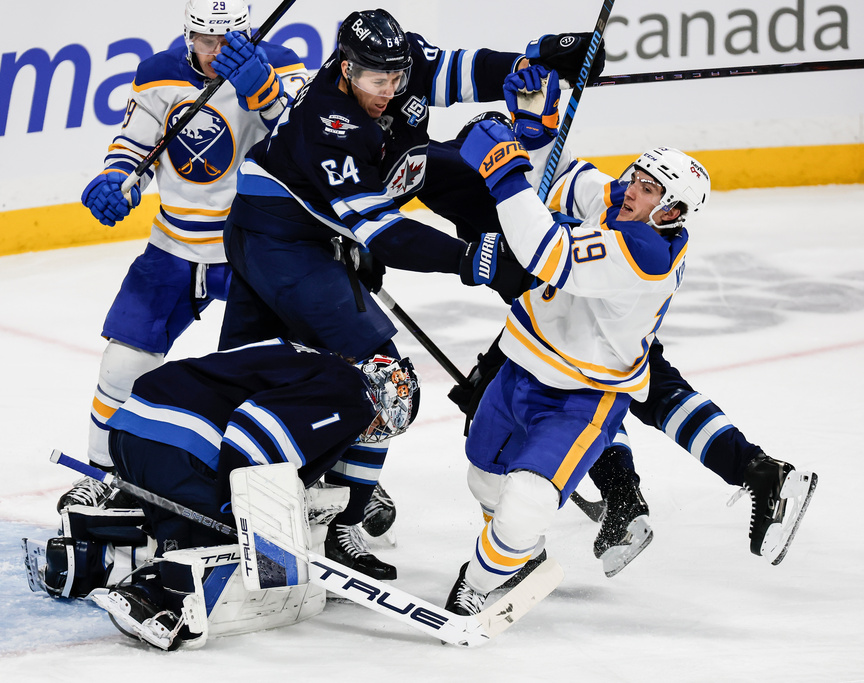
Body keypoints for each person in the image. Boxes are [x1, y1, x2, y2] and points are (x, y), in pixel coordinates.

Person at [216, 8, 604, 579]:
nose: (390, 89)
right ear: (345, 69)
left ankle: (294, 483)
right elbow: (382, 230)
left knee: (257, 368)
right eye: (377, 81)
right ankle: (337, 522)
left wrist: (534, 60)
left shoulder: (394, 66)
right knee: (383, 376)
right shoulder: (331, 124)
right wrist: (468, 258)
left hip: (313, 226)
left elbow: (462, 72)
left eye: (397, 77)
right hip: (280, 239)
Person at [440, 62, 711, 616]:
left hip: (584, 395)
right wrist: (532, 130)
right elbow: (556, 175)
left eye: (651, 188)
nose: (633, 188)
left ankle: (478, 581)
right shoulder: (616, 199)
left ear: (673, 211)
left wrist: (503, 171)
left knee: (527, 500)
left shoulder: (647, 254)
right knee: (484, 481)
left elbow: (545, 251)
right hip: (518, 369)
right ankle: (521, 556)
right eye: (637, 175)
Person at [58, 0, 308, 511]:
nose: (214, 54)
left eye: (226, 42)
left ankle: (307, 476)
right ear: (188, 34)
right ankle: (102, 472)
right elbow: (135, 145)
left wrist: (265, 93)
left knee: (278, 372)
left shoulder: (283, 66)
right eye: (204, 42)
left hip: (254, 251)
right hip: (174, 247)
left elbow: (301, 151)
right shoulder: (158, 74)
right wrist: (115, 179)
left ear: (247, 33)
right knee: (122, 363)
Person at [92, 338, 420, 650]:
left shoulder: (316, 361)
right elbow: (255, 430)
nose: (374, 430)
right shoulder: (353, 395)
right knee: (233, 540)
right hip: (179, 443)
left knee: (179, 528)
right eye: (387, 421)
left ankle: (125, 572)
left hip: (131, 428)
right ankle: (152, 596)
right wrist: (239, 510)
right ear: (384, 398)